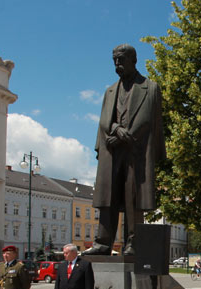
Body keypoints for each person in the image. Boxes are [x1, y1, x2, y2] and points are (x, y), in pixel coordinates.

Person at [83, 43, 166, 256]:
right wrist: (117, 130)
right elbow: (104, 120)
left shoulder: (150, 87)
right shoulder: (110, 91)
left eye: (121, 60)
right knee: (107, 196)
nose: (117, 65)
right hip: (112, 150)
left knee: (133, 197)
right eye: (114, 61)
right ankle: (103, 242)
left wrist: (127, 135)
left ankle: (133, 243)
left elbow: (149, 120)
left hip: (135, 151)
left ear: (133, 60)